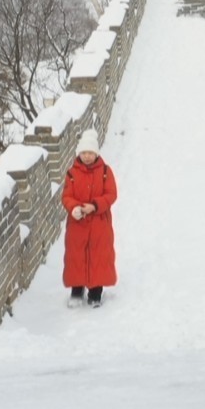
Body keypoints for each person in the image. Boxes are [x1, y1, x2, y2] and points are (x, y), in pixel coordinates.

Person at [61, 128, 117, 308]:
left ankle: (95, 292)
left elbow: (111, 194)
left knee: (98, 257)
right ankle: (76, 290)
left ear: (96, 153)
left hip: (99, 223)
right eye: (84, 152)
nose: (87, 156)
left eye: (90, 153)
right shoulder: (71, 173)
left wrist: (94, 205)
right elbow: (66, 196)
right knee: (76, 256)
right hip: (78, 224)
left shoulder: (105, 171)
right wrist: (74, 207)